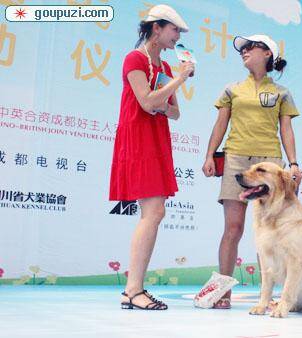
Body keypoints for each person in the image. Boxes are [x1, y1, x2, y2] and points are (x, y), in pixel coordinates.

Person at [202, 34, 302, 309]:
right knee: (233, 228)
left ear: (268, 53)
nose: (244, 51)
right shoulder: (232, 89)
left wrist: (293, 163)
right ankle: (222, 292)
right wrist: (210, 154)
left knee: (268, 231)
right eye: (242, 49)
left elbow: (286, 129)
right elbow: (220, 124)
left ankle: (265, 298)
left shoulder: (282, 92)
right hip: (236, 158)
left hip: (269, 163)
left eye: (250, 47)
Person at [109, 4, 195, 311]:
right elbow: (146, 102)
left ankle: (133, 290)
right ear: (156, 28)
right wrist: (179, 81)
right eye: (174, 30)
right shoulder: (134, 59)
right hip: (138, 139)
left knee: (154, 213)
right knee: (153, 212)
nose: (178, 37)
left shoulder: (167, 68)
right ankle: (133, 290)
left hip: (158, 140)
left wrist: (168, 92)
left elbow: (175, 112)